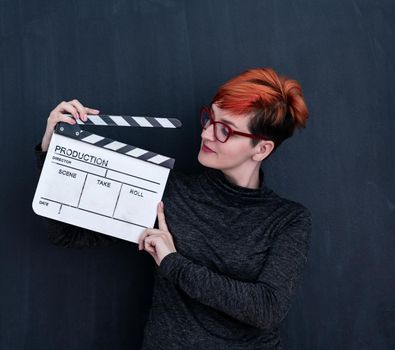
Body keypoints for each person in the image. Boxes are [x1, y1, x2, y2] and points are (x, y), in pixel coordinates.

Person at [34, 67, 312, 349]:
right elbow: (67, 234)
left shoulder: (287, 220)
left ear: (261, 149)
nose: (206, 134)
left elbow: (265, 309)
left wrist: (172, 261)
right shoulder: (167, 192)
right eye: (210, 119)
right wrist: (52, 153)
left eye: (224, 130)